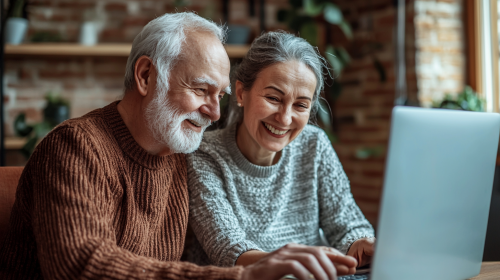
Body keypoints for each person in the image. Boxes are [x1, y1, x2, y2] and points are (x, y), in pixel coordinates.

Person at [0, 13, 356, 280]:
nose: (215, 113)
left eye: (220, 96)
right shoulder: (76, 147)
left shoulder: (179, 157)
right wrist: (244, 276)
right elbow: (82, 266)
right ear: (145, 76)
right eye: (201, 90)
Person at [186, 31, 376, 270]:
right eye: (274, 98)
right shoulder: (204, 154)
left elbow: (348, 225)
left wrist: (359, 244)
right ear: (242, 92)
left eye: (300, 105)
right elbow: (228, 248)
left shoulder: (313, 145)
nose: (285, 119)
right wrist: (288, 264)